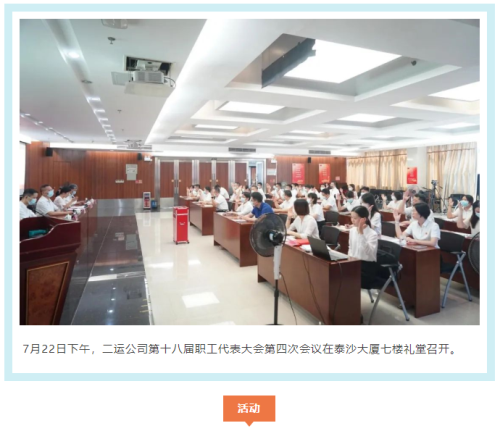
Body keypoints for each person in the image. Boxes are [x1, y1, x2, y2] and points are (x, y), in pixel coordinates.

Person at [348, 206, 379, 289]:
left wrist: (361, 233)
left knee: (344, 278)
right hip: (354, 263)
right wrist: (349, 259)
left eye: (355, 218)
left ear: (364, 219)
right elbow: (350, 247)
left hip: (366, 267)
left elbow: (369, 252)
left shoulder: (372, 234)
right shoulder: (352, 230)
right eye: (351, 217)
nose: (352, 220)